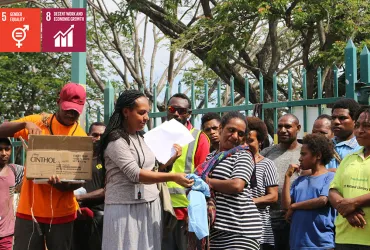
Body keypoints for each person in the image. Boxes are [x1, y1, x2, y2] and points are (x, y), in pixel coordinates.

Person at [99, 90, 194, 250]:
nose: (146, 118)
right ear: (126, 112)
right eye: (141, 112)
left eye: (147, 113)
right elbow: (135, 173)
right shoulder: (116, 141)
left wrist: (171, 160)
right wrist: (173, 177)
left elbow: (152, 168)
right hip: (124, 209)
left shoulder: (142, 137)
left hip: (150, 205)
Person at [0, 82, 87, 250]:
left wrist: (62, 185)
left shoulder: (80, 137)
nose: (71, 114)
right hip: (29, 213)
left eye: (75, 111)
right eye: (67, 109)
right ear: (58, 102)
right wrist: (23, 125)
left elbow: (80, 180)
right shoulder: (37, 122)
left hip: (63, 215)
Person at [200, 111, 262, 249]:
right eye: (231, 130)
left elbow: (237, 185)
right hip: (216, 231)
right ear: (221, 128)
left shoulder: (243, 155)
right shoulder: (210, 158)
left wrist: (206, 182)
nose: (235, 136)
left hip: (240, 230)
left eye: (240, 134)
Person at [162, 93, 210, 250]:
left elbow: (202, 179)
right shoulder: (157, 136)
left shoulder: (199, 138)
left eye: (181, 111)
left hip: (185, 212)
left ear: (189, 114)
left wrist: (193, 214)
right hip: (160, 210)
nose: (176, 113)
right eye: (172, 109)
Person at [282, 134, 335, 250]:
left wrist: (294, 206)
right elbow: (286, 206)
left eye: (303, 154)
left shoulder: (330, 177)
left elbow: (322, 200)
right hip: (298, 243)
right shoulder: (300, 180)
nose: (300, 158)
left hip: (321, 244)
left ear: (318, 156)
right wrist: (287, 177)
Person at [329, 106, 370, 249]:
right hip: (345, 237)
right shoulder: (349, 158)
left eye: (367, 126)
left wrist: (353, 203)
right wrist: (347, 211)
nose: (359, 131)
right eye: (358, 125)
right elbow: (333, 190)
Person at [260, 113, 302, 250]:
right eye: (280, 126)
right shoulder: (267, 152)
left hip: (294, 218)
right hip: (269, 219)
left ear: (298, 128)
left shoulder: (305, 152)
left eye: (288, 126)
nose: (283, 130)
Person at [72, 122, 106, 250]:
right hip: (76, 215)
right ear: (88, 136)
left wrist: (79, 198)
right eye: (95, 135)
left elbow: (107, 190)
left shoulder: (108, 160)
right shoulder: (77, 158)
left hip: (98, 217)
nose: (98, 138)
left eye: (102, 135)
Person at [246, 117, 278, 250]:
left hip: (260, 229)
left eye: (250, 141)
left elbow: (273, 196)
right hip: (237, 228)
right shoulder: (233, 163)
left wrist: (247, 202)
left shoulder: (267, 164)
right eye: (243, 140)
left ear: (260, 142)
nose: (246, 145)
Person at [0, 138, 23, 250]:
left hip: (6, 233)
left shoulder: (14, 170)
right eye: (0, 149)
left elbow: (33, 173)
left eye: (7, 149)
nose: (4, 153)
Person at [327, 98, 361, 172]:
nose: (336, 122)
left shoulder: (362, 148)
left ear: (355, 121)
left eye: (342, 118)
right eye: (333, 118)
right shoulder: (324, 145)